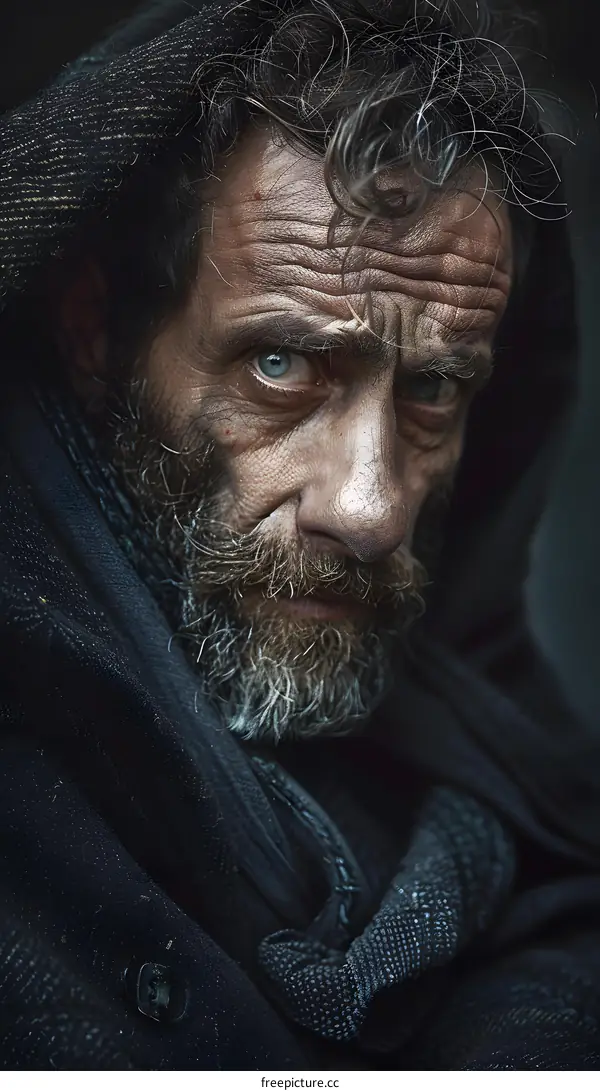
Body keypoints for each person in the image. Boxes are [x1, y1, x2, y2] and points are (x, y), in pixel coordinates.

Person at [1, 0, 600, 1071]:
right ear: (98, 334)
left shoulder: (502, 748)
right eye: (282, 365)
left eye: (431, 390)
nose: (370, 510)